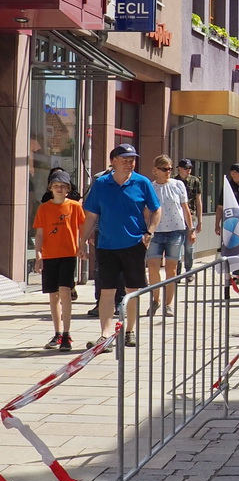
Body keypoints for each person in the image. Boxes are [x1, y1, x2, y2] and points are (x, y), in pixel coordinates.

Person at [80, 144, 161, 345]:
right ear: (113, 161)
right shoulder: (101, 184)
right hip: (106, 245)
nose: (129, 163)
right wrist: (81, 242)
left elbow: (156, 209)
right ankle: (106, 335)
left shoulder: (142, 183)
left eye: (132, 159)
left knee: (132, 290)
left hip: (134, 244)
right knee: (107, 291)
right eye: (125, 159)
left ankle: (129, 330)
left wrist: (150, 232)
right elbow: (91, 215)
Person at [32, 171, 84, 350]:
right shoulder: (44, 208)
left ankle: (67, 334)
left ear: (68, 189)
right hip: (49, 255)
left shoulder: (75, 207)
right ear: (50, 189)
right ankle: (57, 333)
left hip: (68, 254)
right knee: (53, 295)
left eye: (63, 186)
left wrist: (83, 246)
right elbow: (39, 233)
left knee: (64, 291)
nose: (59, 189)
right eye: (56, 186)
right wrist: (38, 254)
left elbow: (82, 227)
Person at [146, 156, 194, 315]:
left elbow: (185, 208)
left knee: (171, 269)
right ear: (155, 171)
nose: (168, 172)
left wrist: (191, 229)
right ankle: (155, 300)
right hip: (156, 232)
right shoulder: (150, 187)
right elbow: (146, 211)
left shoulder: (178, 185)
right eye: (164, 169)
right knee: (153, 268)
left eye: (170, 169)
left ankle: (168, 304)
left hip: (175, 230)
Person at [175, 159, 203, 273]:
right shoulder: (173, 181)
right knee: (176, 246)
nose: (188, 170)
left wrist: (200, 221)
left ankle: (188, 271)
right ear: (180, 168)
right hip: (176, 217)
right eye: (186, 168)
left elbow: (198, 200)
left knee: (189, 246)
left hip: (191, 217)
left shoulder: (195, 181)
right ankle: (177, 271)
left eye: (190, 168)